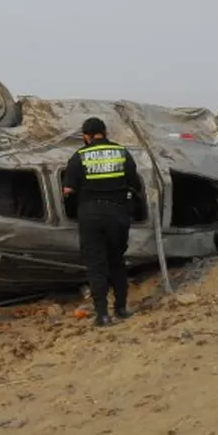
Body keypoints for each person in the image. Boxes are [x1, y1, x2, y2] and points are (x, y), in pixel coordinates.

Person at [62, 117, 140, 327]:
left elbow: (67, 190)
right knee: (116, 261)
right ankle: (122, 309)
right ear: (105, 132)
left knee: (96, 265)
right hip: (118, 213)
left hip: (91, 215)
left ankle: (103, 315)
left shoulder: (79, 156)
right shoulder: (122, 152)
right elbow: (134, 182)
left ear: (85, 137)